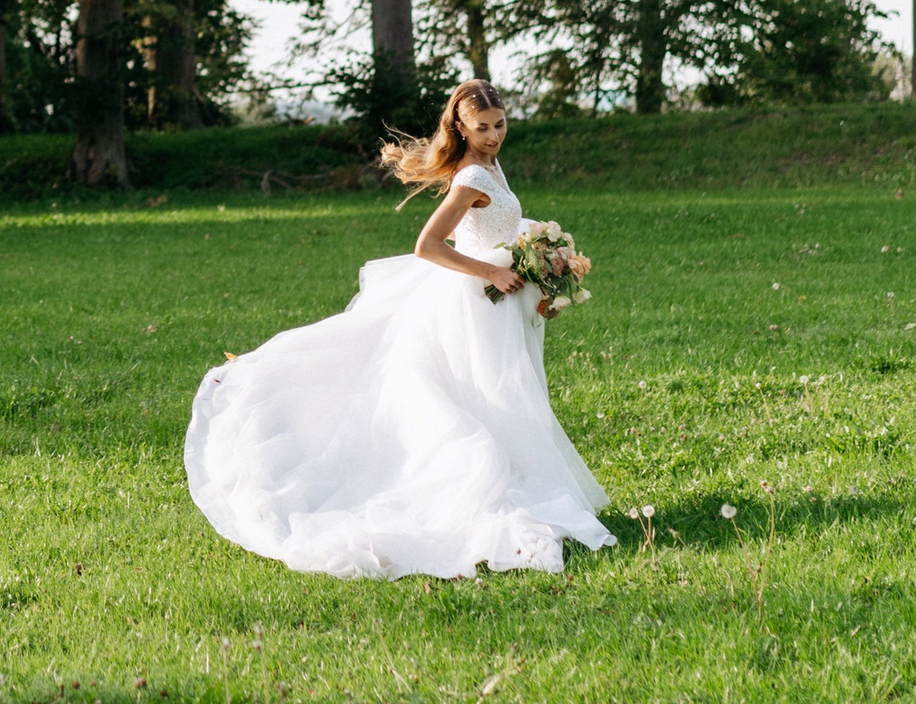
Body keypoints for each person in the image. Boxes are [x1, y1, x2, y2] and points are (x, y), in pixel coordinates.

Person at [182, 79, 615, 579]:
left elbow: (481, 229)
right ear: (461, 126)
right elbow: (428, 245)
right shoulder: (472, 175)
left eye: (500, 126)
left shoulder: (491, 164)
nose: (494, 136)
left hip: (501, 301)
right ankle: (477, 488)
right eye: (482, 129)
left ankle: (511, 476)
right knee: (485, 396)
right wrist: (493, 271)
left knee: (500, 395)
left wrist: (539, 271)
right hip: (478, 301)